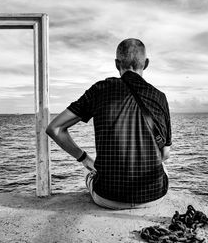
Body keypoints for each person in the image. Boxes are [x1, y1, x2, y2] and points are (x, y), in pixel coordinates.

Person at [46, 38, 172, 209]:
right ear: (146, 63)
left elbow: (55, 128)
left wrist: (84, 159)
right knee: (162, 165)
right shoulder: (159, 97)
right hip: (153, 195)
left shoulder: (100, 90)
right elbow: (165, 154)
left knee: (92, 176)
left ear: (116, 64)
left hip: (107, 197)